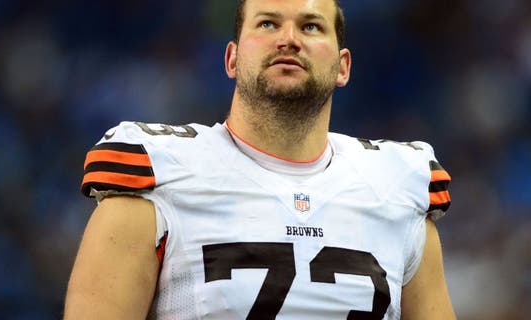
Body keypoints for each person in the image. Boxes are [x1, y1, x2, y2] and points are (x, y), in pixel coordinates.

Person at [64, 0, 456, 319]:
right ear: (232, 59)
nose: (289, 39)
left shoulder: (398, 188)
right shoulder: (158, 175)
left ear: (343, 66)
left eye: (311, 26)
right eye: (267, 24)